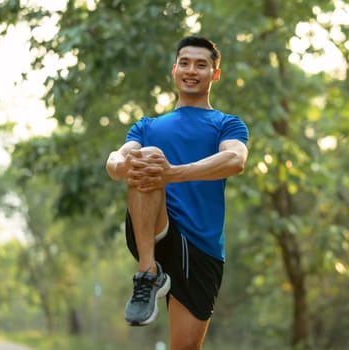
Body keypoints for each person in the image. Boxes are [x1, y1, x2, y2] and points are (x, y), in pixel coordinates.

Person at [105, 36, 249, 349]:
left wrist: (172, 174)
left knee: (184, 348)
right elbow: (116, 159)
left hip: (202, 244)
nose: (191, 70)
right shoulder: (146, 126)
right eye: (184, 63)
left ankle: (154, 273)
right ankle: (147, 272)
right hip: (154, 231)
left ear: (215, 74)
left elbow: (235, 159)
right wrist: (123, 165)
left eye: (201, 64)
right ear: (174, 69)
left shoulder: (227, 124)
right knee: (146, 157)